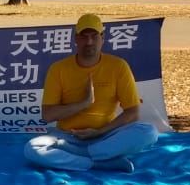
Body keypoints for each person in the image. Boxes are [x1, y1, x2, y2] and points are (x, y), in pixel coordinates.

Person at [24, 13, 158, 172]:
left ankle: (81, 155)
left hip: (106, 136)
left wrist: (99, 132)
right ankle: (98, 162)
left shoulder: (118, 66)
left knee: (149, 132)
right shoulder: (58, 69)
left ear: (103, 37)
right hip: (67, 137)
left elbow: (132, 113)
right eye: (83, 37)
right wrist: (84, 103)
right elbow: (47, 115)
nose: (89, 42)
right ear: (75, 39)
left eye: (94, 36)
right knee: (31, 149)